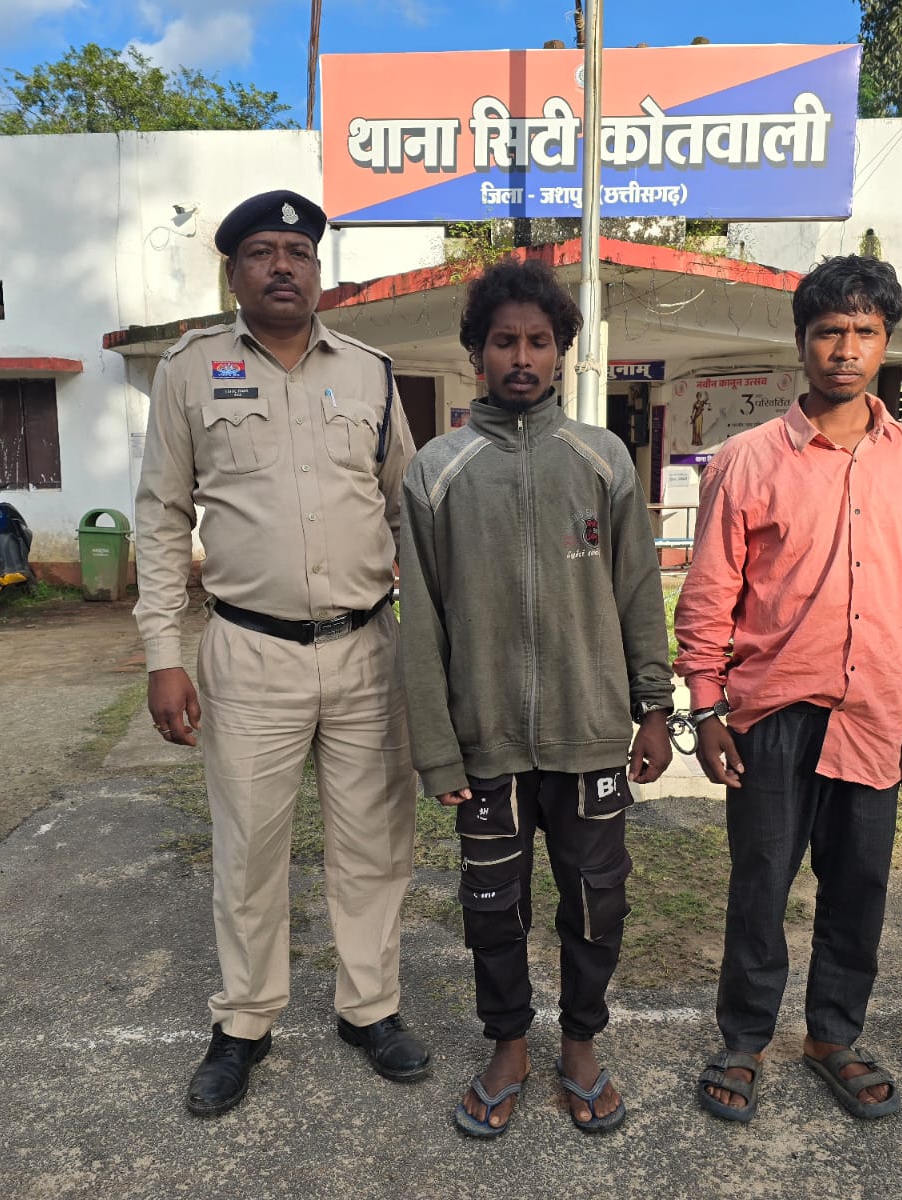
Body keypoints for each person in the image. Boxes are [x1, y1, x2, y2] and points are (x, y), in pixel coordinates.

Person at [133, 189, 429, 1118]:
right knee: (249, 849)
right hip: (249, 651)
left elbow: (407, 510)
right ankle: (245, 1022)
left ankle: (369, 1008)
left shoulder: (372, 374)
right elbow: (161, 516)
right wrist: (162, 653)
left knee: (373, 845)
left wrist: (430, 646)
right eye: (262, 252)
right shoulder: (189, 371)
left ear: (318, 269)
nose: (282, 267)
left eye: (298, 252)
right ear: (234, 271)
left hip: (366, 649)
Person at [397, 256, 674, 1138]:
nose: (523, 357)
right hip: (486, 742)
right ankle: (509, 1046)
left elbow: (638, 593)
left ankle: (581, 1042)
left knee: (596, 902)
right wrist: (438, 748)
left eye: (540, 342)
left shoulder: (602, 458)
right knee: (493, 909)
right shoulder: (437, 471)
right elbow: (420, 622)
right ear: (476, 352)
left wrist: (654, 707)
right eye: (505, 341)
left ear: (562, 352)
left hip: (589, 734)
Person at [674, 255, 902, 1123]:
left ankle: (834, 1034)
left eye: (865, 331)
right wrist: (706, 706)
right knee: (760, 881)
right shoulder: (747, 460)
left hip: (872, 715)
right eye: (829, 330)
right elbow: (709, 596)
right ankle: (744, 1039)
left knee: (859, 884)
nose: (846, 349)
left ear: (886, 342)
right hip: (772, 714)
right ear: (801, 341)